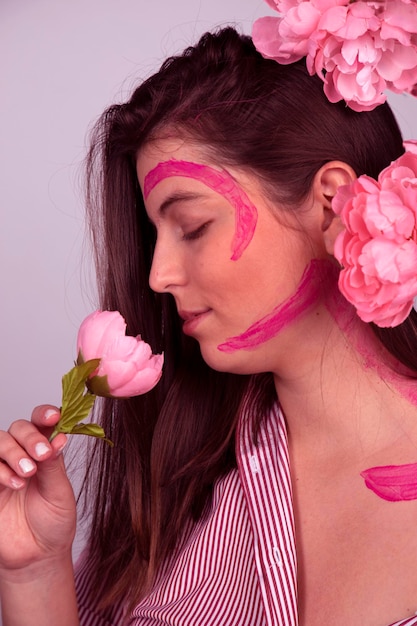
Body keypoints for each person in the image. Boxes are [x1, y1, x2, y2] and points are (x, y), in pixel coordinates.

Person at [1, 12, 417, 626]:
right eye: (154, 236)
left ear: (332, 204)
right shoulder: (180, 490)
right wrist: (33, 574)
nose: (157, 276)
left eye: (192, 226)